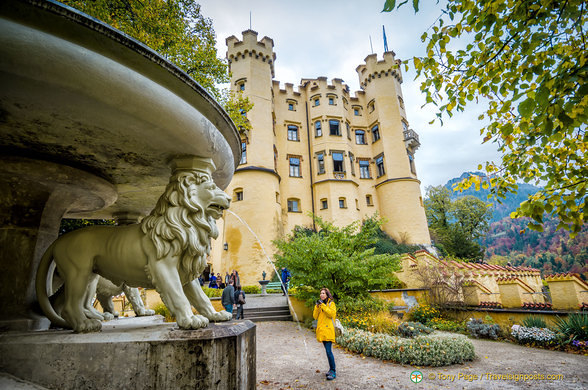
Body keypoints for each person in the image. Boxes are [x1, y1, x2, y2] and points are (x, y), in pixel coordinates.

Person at [313, 287, 336, 381]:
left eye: (323, 293)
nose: (321, 295)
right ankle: (331, 370)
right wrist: (317, 307)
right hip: (322, 331)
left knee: (328, 351)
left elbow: (331, 314)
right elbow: (315, 316)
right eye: (320, 293)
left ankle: (333, 371)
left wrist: (323, 306)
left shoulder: (331, 304)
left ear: (327, 295)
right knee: (327, 352)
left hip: (329, 331)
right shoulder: (321, 305)